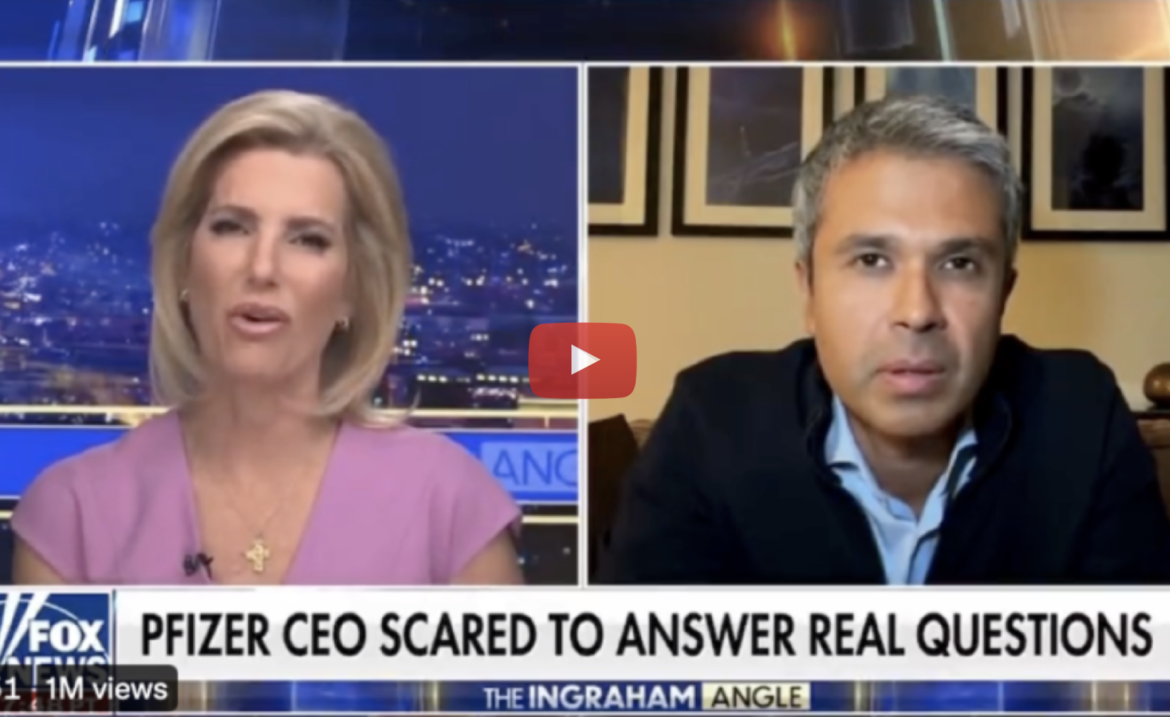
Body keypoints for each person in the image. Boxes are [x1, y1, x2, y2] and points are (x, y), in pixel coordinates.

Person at [598, 95, 1170, 585]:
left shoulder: (1081, 416)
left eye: (960, 263)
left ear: (1003, 294)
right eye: (872, 260)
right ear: (809, 290)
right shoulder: (712, 419)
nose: (917, 312)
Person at [12, 90, 523, 587]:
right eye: (232, 227)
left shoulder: (450, 507)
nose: (262, 268)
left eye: (308, 239)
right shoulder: (71, 518)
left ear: (353, 289)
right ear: (185, 262)